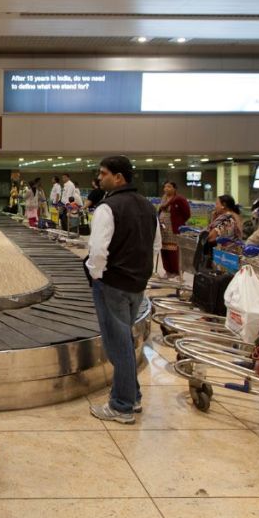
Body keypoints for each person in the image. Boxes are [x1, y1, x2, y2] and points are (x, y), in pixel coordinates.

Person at [85, 155, 156, 424]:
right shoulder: (148, 206)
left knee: (118, 345)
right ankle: (133, 396)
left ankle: (122, 406)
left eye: (103, 173)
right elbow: (155, 244)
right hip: (137, 283)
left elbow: (98, 250)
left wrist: (96, 276)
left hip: (113, 283)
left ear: (118, 177)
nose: (99, 177)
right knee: (124, 338)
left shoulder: (108, 207)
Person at [157, 181, 191, 280]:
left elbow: (187, 214)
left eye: (169, 186)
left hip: (174, 228)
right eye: (165, 186)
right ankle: (168, 271)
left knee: (173, 250)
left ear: (174, 188)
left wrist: (179, 222)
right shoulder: (163, 198)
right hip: (163, 228)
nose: (167, 188)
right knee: (164, 249)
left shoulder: (179, 199)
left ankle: (176, 272)